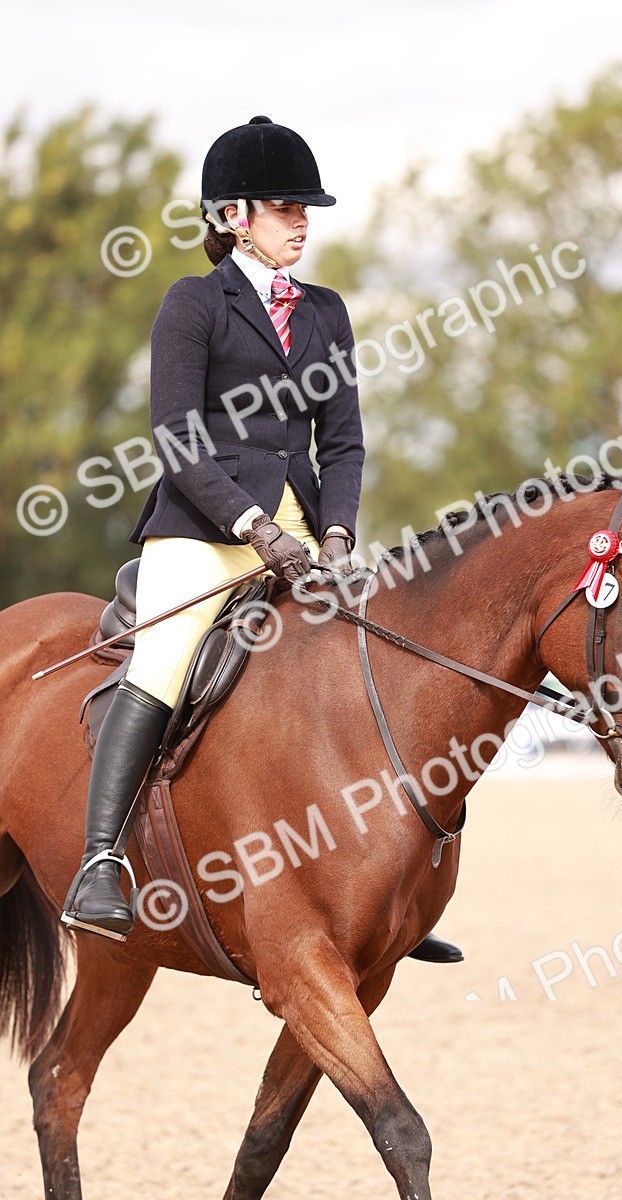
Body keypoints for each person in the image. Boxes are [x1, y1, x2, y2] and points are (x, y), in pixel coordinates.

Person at [61, 116, 462, 964]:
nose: (304, 221)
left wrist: (340, 532)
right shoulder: (194, 303)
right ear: (235, 214)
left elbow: (342, 440)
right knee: (166, 656)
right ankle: (99, 863)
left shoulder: (327, 311)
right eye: (287, 207)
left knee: (382, 661)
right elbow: (176, 435)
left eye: (306, 207)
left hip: (307, 530)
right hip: (205, 527)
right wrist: (249, 526)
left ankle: (384, 880)